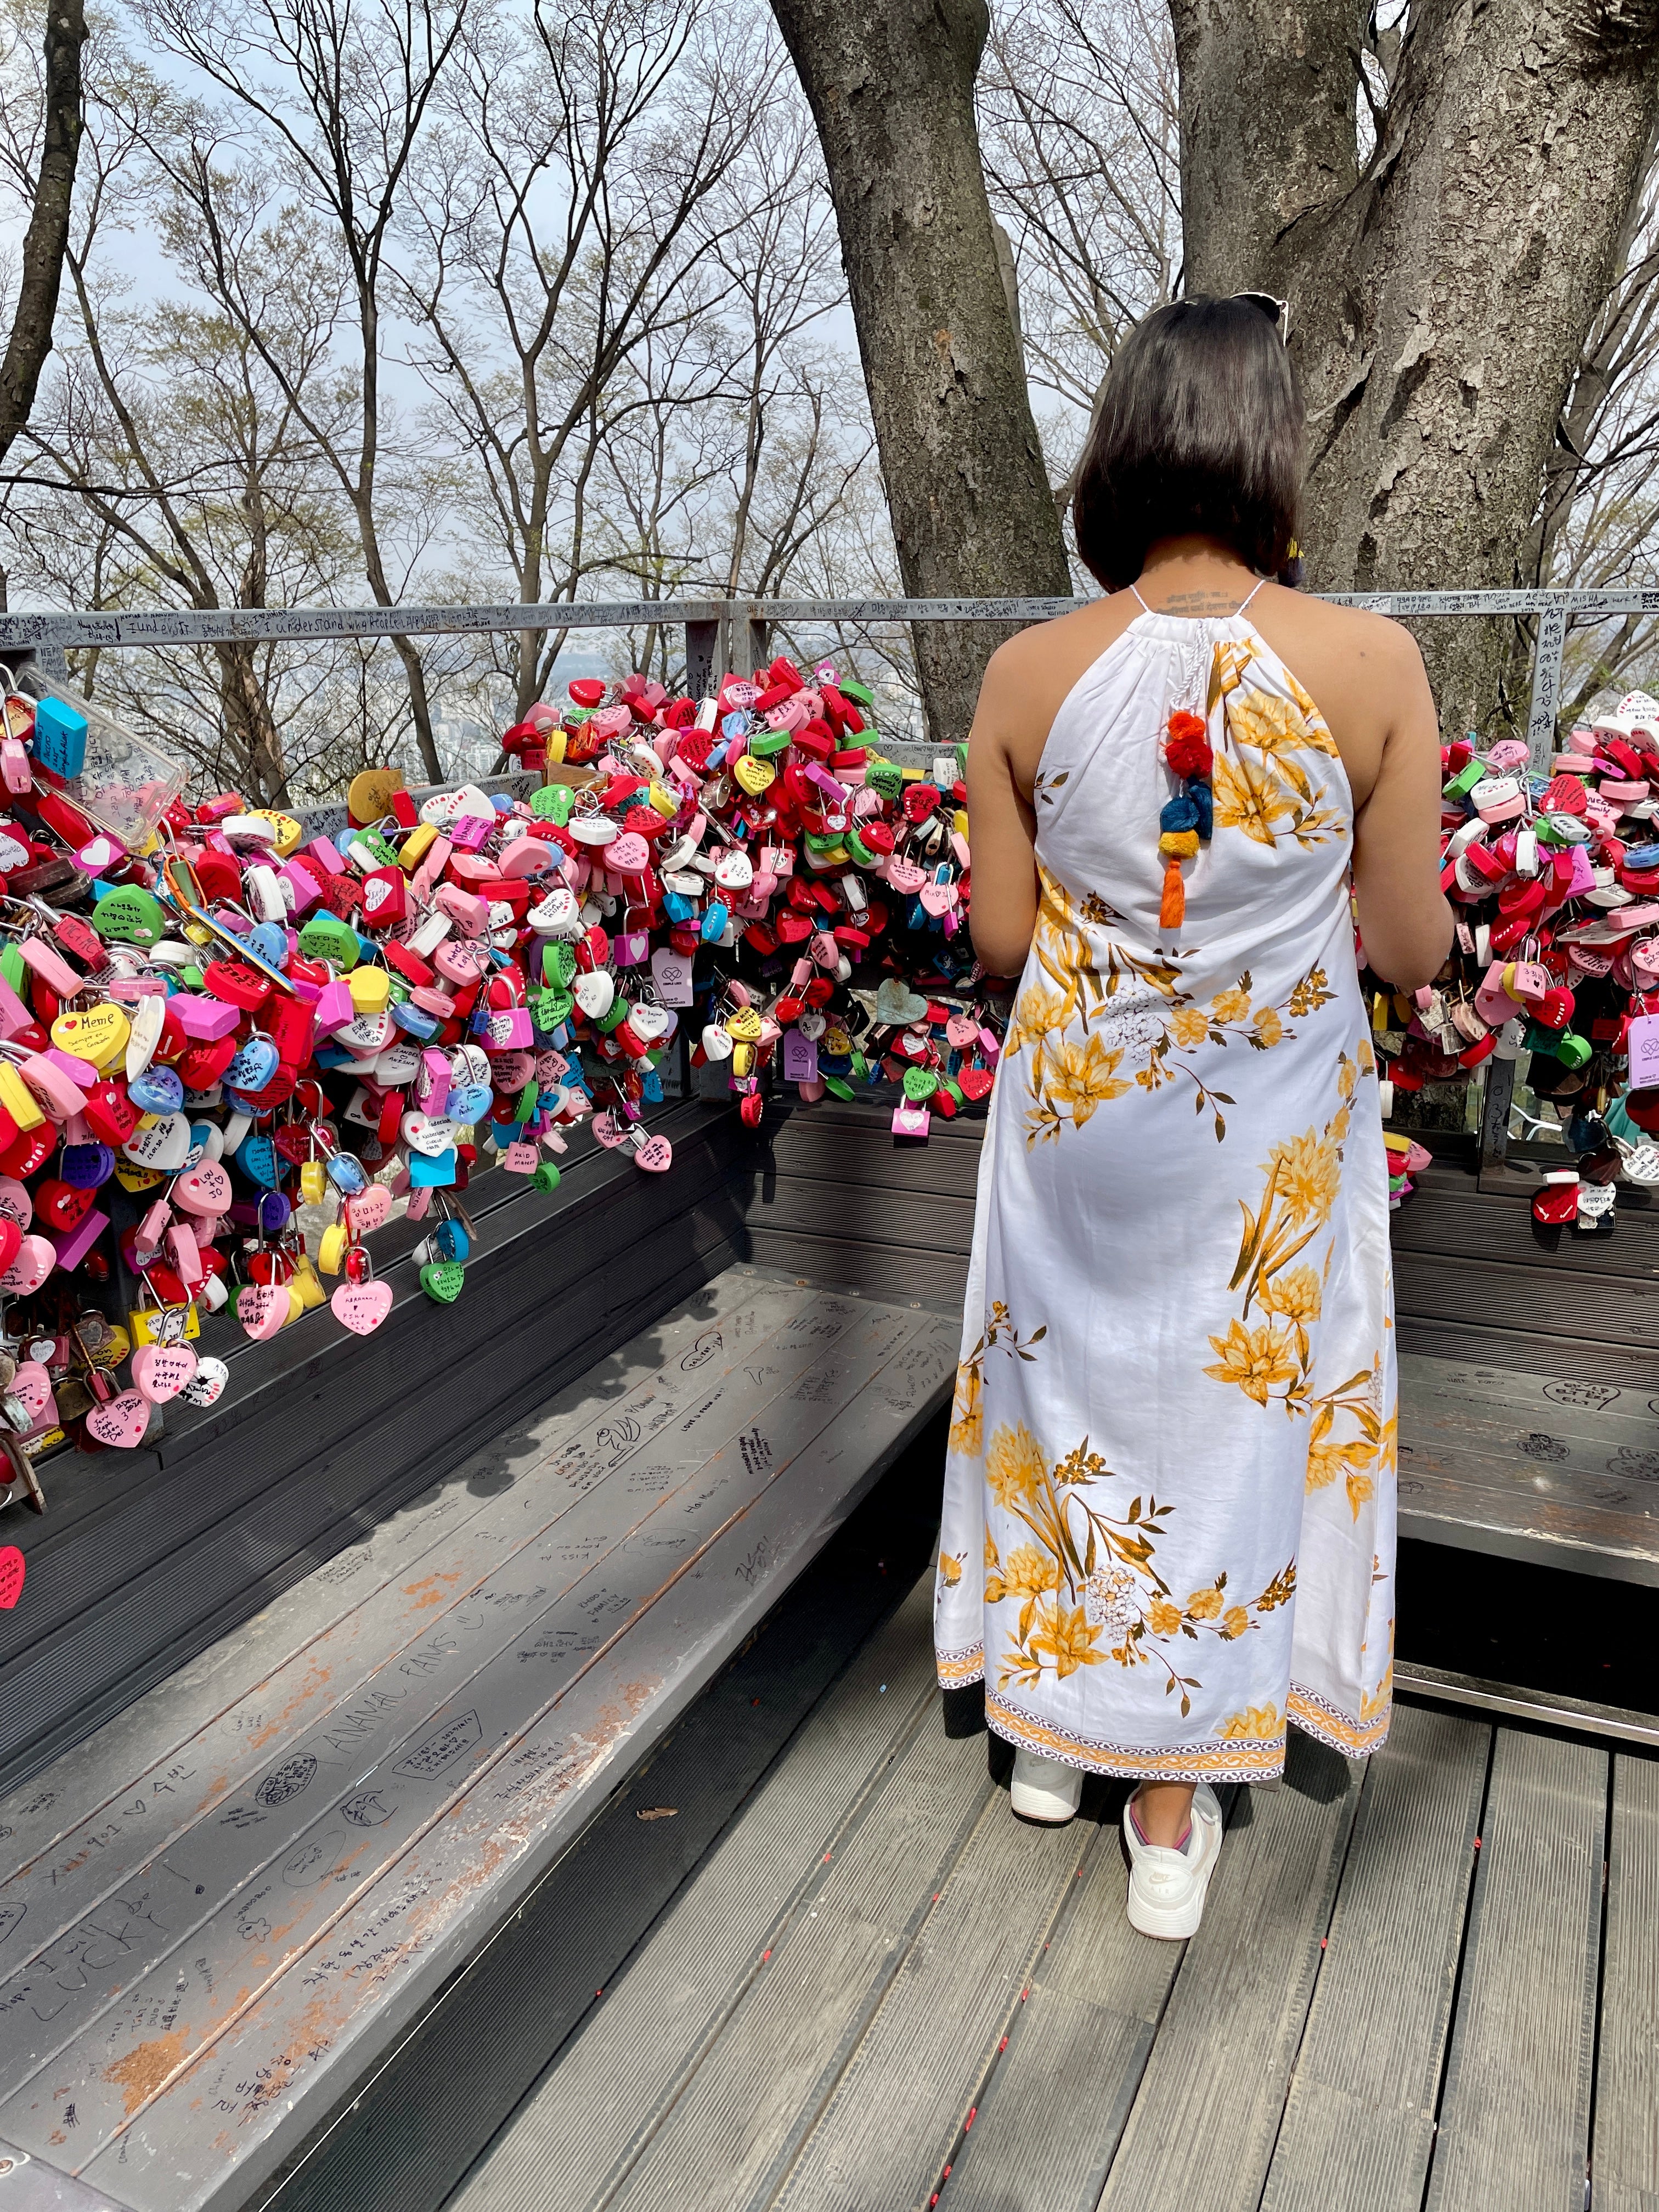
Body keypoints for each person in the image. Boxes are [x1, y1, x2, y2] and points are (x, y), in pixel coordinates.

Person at [934, 294, 1450, 1940]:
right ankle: (1173, 1811)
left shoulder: (1027, 671)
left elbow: (1005, 945)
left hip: (1083, 1116)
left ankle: (1049, 1736)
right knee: (1231, 1426)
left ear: (1122, 447)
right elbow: (1417, 943)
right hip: (1268, 1125)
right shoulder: (1371, 664)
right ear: (1272, 446)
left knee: (1072, 1401)